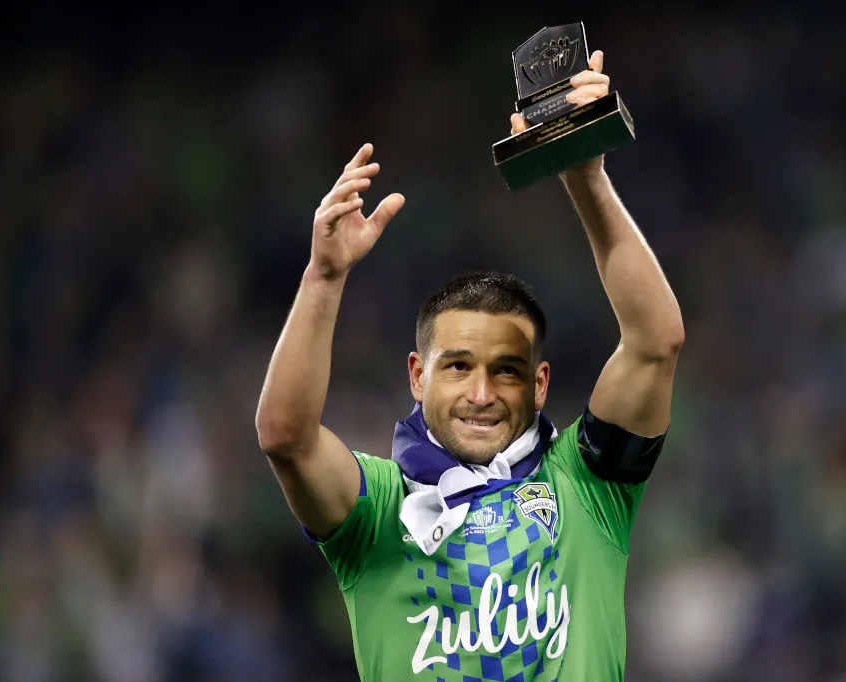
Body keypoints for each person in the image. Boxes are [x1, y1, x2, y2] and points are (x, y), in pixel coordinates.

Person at [255, 50, 684, 682]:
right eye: (457, 367)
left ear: (539, 385)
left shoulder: (588, 485)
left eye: (507, 371)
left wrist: (582, 173)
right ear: (417, 376)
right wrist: (324, 275)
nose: (482, 392)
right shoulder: (378, 512)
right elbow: (285, 438)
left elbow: (655, 343)